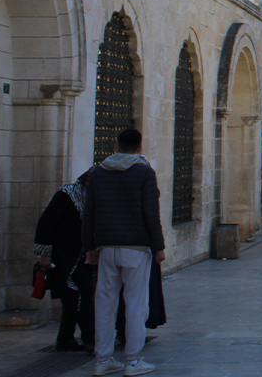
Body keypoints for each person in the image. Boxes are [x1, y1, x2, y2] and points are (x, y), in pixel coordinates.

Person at [83, 128, 165, 377]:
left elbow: (89, 213)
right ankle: (132, 361)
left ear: (116, 145)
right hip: (136, 248)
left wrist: (89, 247)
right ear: (139, 147)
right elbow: (151, 212)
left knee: (104, 303)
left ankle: (103, 359)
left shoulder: (98, 172)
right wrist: (158, 246)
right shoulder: (143, 172)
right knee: (136, 304)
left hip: (107, 247)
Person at [34, 171, 94, 352]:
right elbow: (46, 224)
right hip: (64, 256)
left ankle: (65, 338)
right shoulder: (66, 195)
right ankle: (90, 339)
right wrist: (45, 255)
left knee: (72, 299)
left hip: (82, 257)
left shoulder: (92, 199)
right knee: (83, 294)